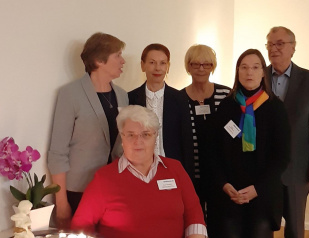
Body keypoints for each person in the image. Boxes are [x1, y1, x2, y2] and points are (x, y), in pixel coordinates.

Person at [71, 105, 207, 238]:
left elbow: (193, 211)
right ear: (122, 138)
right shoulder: (104, 179)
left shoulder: (175, 169)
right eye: (131, 135)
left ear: (155, 137)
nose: (138, 141)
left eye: (146, 134)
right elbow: (80, 225)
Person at [206, 49, 290, 238]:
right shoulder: (227, 106)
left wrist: (257, 189)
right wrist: (224, 184)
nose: (249, 72)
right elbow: (213, 151)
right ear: (237, 72)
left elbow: (282, 157)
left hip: (262, 194)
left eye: (255, 67)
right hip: (230, 195)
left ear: (263, 72)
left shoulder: (275, 108)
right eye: (244, 67)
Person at [47, 32, 128, 228]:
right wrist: (62, 202)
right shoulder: (70, 94)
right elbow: (58, 152)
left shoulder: (122, 95)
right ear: (99, 60)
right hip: (79, 191)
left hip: (114, 187)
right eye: (117, 55)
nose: (123, 60)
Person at [265, 26, 309, 238]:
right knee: (263, 224)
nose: (274, 49)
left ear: (293, 48)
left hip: (297, 167)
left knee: (294, 227)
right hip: (263, 167)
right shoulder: (257, 76)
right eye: (270, 44)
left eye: (280, 44)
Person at [117, 43, 194, 179]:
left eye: (162, 63)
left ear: (168, 67)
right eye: (152, 63)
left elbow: (186, 140)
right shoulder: (130, 98)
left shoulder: (180, 98)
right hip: (139, 168)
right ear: (143, 65)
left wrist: (187, 175)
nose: (157, 68)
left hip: (171, 166)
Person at [181, 44, 230, 217]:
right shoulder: (179, 99)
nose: (201, 69)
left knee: (220, 220)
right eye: (195, 64)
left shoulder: (226, 95)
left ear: (213, 66)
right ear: (188, 66)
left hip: (222, 172)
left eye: (206, 64)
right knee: (194, 218)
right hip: (190, 172)